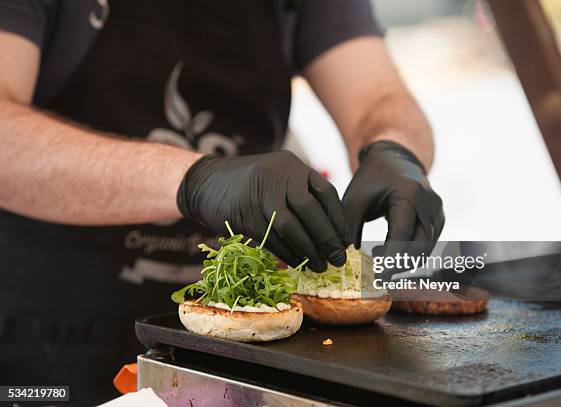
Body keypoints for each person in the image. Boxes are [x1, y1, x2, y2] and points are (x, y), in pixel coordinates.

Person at [0, 0, 443, 404]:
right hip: (49, 336)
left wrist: (395, 150)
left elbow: (377, 95)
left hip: (241, 344)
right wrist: (193, 179)